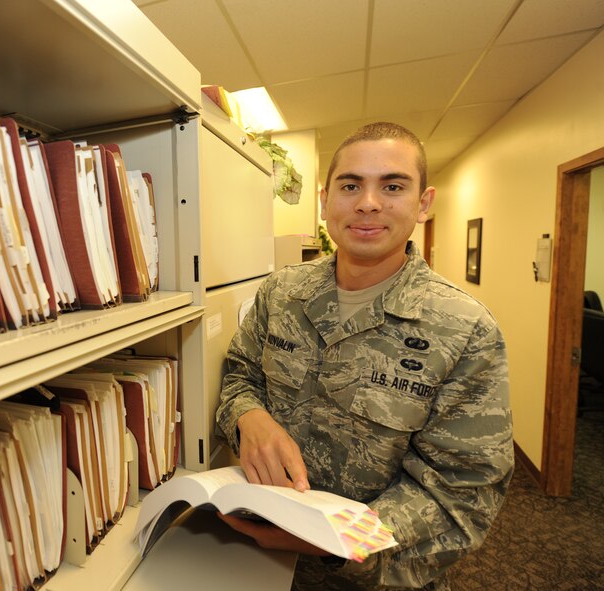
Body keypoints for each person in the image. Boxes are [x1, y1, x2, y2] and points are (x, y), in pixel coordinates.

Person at [215, 122, 513, 590]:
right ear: (325, 198)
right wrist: (249, 416)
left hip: (374, 576)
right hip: (257, 559)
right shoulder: (280, 293)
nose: (368, 202)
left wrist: (331, 540)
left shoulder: (465, 329)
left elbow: (463, 492)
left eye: (392, 186)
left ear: (423, 203)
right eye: (350, 185)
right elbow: (240, 375)